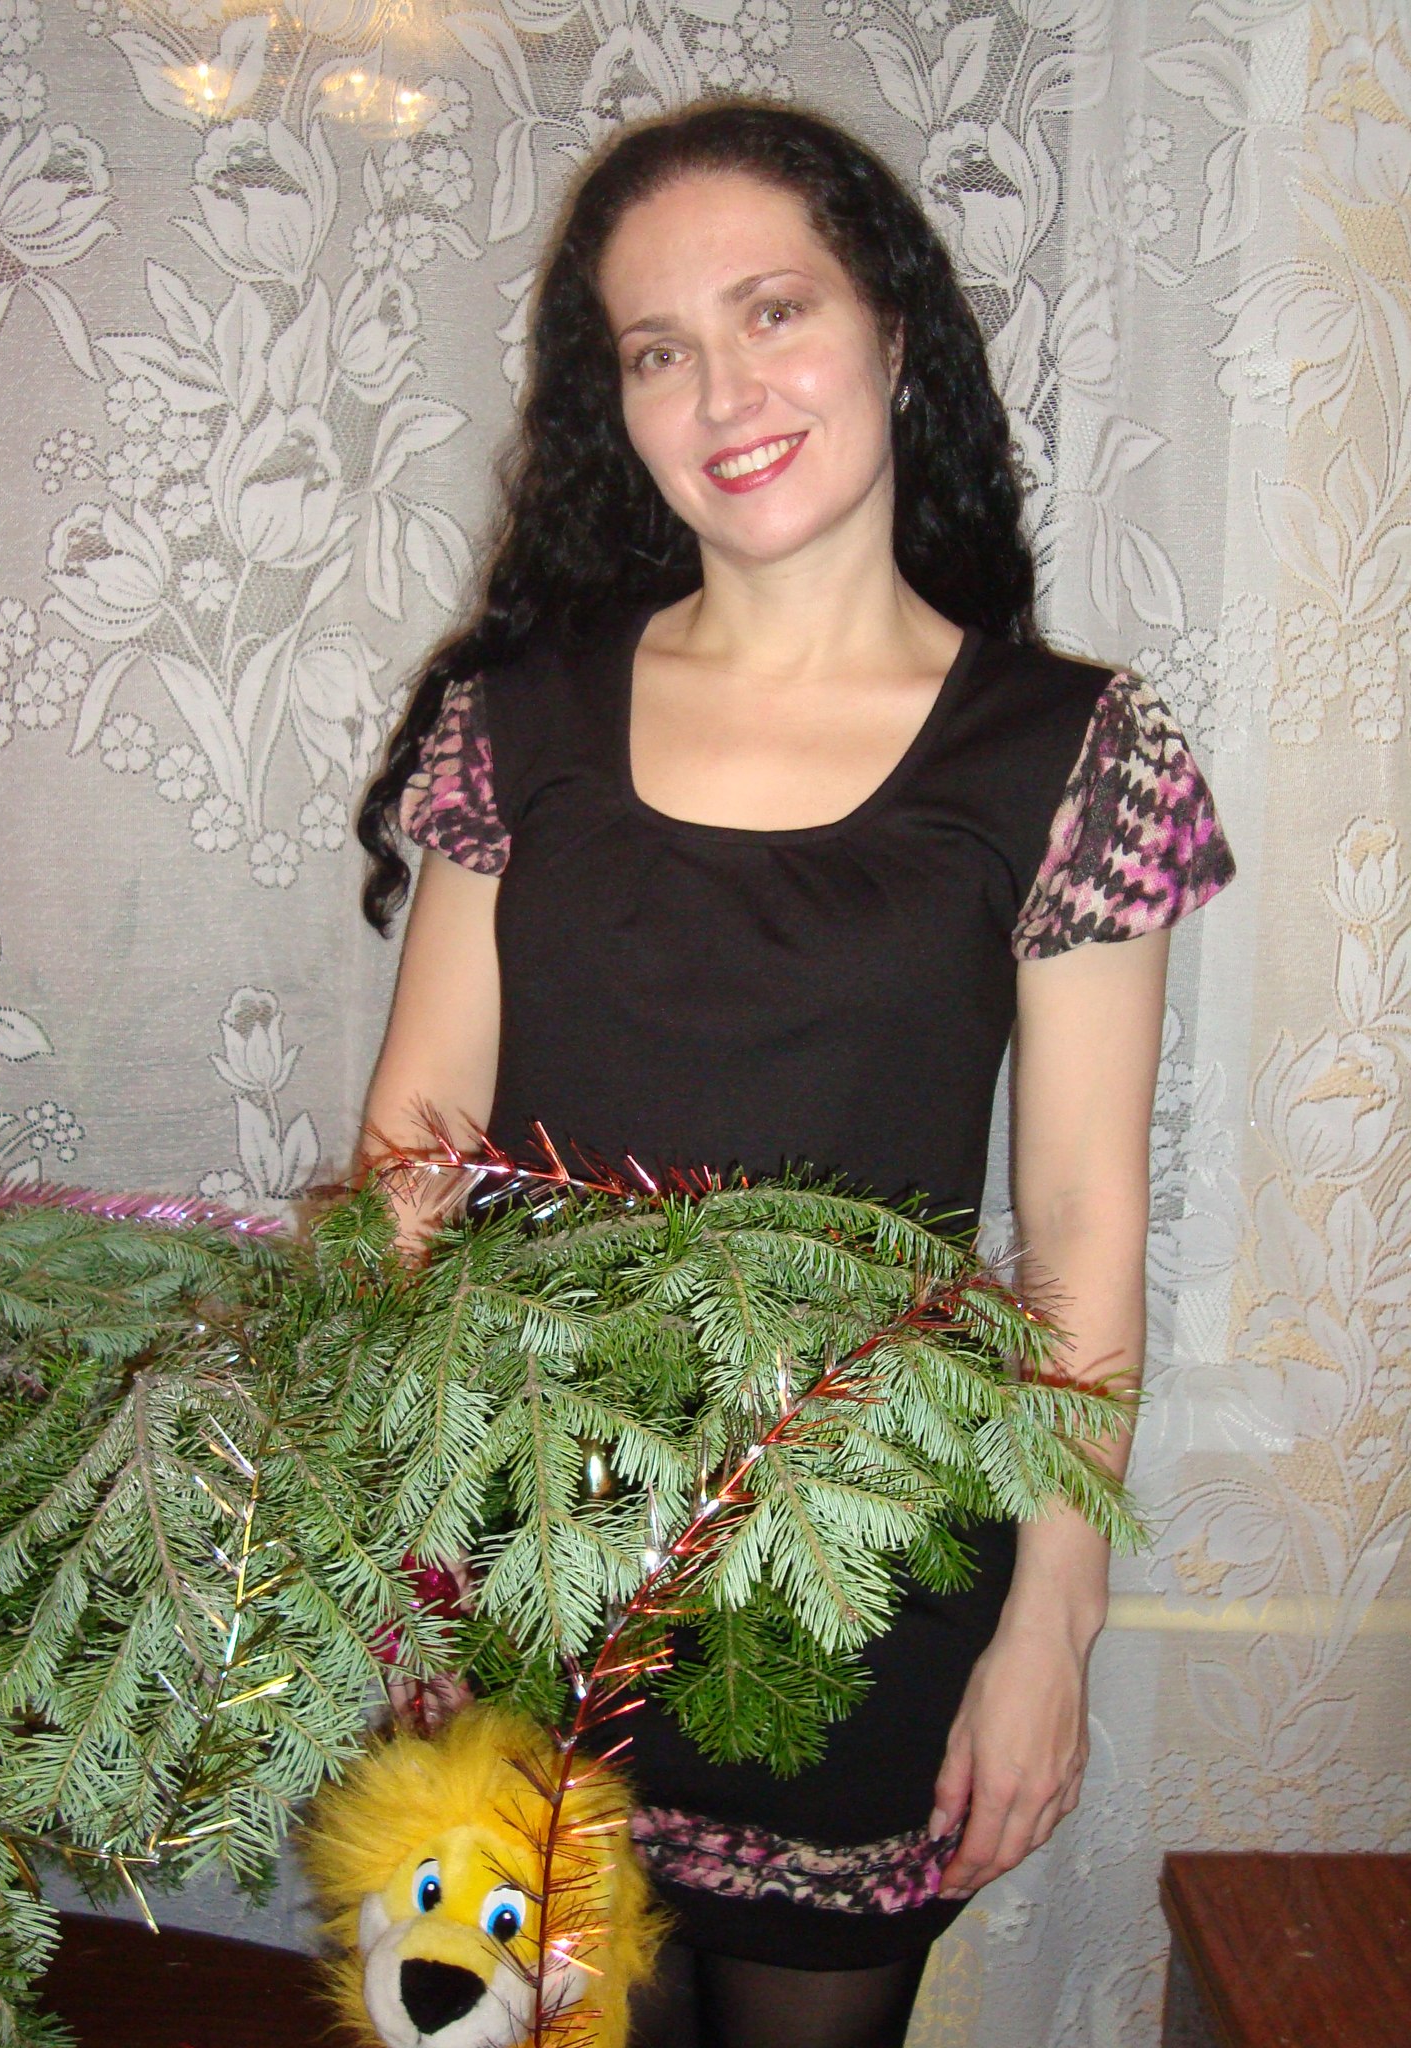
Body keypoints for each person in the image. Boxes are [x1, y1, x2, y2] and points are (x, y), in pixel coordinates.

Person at [353, 99, 1235, 2048]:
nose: (723, 393)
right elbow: (414, 1151)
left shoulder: (1073, 750)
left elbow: (1081, 1226)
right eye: (657, 350)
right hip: (522, 1563)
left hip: (865, 1598)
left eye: (775, 312)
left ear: (895, 332)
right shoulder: (518, 719)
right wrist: (392, 1560)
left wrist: (1054, 1618)